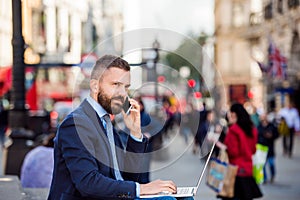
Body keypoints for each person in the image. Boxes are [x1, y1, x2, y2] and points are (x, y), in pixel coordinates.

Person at [48, 55, 193, 200]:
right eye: (115, 84)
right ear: (94, 86)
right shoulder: (76, 124)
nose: (122, 93)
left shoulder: (107, 124)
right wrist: (142, 189)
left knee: (185, 198)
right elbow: (88, 183)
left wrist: (135, 133)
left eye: (126, 87)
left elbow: (128, 176)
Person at [221, 103, 263, 200]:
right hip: (248, 170)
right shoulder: (252, 130)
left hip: (235, 171)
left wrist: (224, 147)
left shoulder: (233, 130)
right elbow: (253, 150)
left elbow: (233, 152)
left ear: (234, 114)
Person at [257, 114, 279, 183]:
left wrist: (271, 136)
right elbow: (257, 136)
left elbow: (277, 134)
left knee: (271, 163)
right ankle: (264, 178)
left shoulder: (272, 126)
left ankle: (272, 175)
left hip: (270, 148)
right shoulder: (259, 126)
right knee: (262, 164)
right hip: (262, 148)